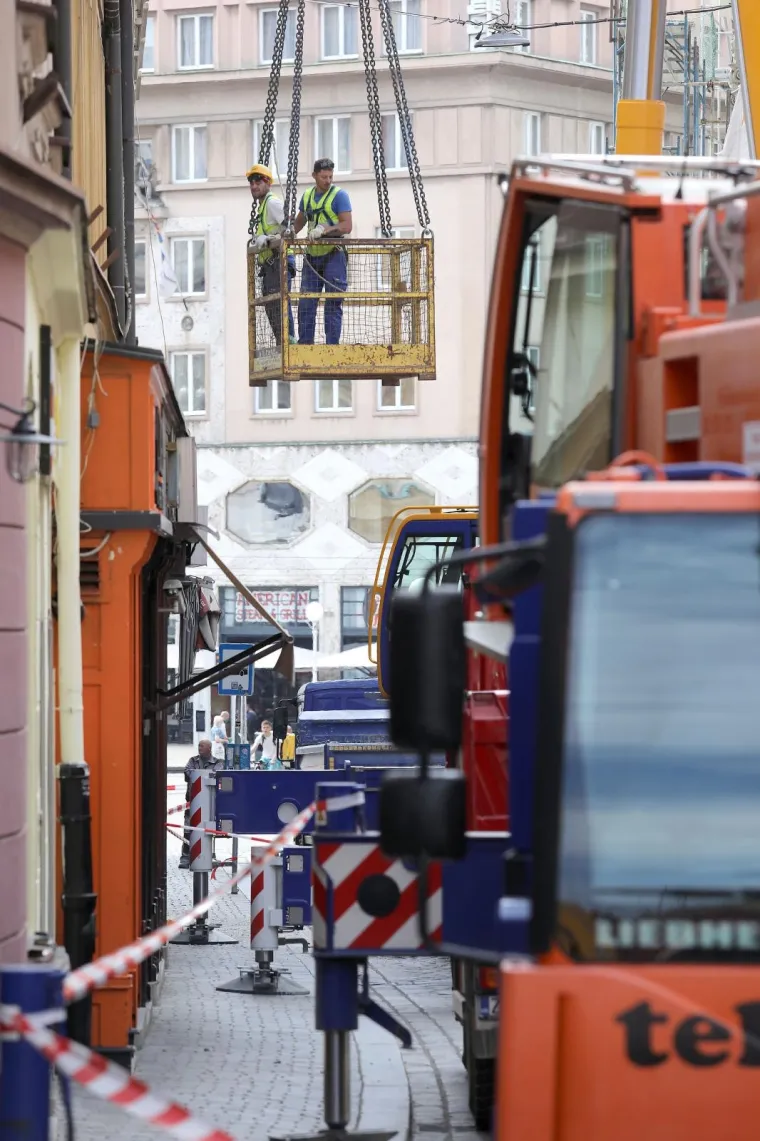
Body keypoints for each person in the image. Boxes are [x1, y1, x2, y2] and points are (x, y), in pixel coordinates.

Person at [294, 159, 353, 345]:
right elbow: (300, 222)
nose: (328, 181)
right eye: (323, 177)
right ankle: (305, 345)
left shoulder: (339, 196)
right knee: (306, 303)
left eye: (330, 177)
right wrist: (286, 233)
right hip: (312, 257)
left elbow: (347, 225)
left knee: (333, 302)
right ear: (314, 176)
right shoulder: (308, 196)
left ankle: (332, 347)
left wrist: (324, 229)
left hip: (333, 254)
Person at [247, 164, 296, 345]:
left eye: (258, 181)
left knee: (280, 303)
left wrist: (272, 238)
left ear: (268, 183)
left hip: (279, 261)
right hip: (270, 265)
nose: (254, 186)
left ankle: (288, 342)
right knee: (272, 306)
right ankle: (282, 342)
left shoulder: (272, 203)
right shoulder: (262, 206)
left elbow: (290, 229)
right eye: (251, 182)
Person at [179, 739, 220, 869]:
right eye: (199, 746)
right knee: (188, 829)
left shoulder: (217, 763)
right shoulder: (193, 760)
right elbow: (187, 772)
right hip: (192, 802)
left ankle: (207, 855)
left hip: (210, 803)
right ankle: (185, 857)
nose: (199, 748)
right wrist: (203, 777)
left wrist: (199, 777)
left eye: (202, 746)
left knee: (207, 830)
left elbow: (217, 775)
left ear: (209, 748)